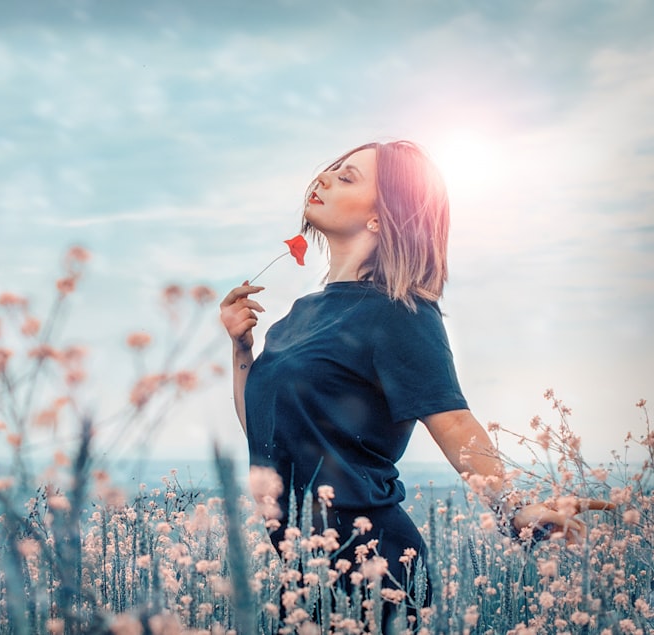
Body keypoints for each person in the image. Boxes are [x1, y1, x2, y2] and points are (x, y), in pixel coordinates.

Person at [219, 140, 611, 631]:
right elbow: (264, 430)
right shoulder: (300, 315)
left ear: (380, 219)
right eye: (332, 169)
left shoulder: (401, 311)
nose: (323, 179)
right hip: (301, 572)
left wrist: (513, 508)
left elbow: (451, 419)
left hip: (373, 566)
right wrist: (241, 351)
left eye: (348, 178)